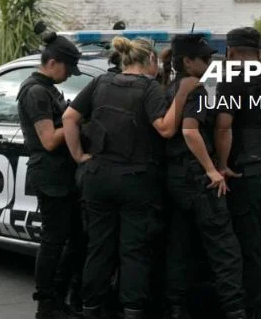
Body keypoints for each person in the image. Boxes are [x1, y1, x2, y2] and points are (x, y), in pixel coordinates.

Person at [63, 37, 197, 319]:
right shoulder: (148, 88)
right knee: (133, 249)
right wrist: (183, 93)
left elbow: (69, 118)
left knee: (99, 247)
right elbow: (165, 128)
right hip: (137, 180)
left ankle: (91, 308)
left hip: (98, 176)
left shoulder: (100, 83)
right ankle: (132, 310)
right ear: (150, 61)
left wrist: (79, 156)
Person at [162, 34, 246, 319]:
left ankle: (176, 307)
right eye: (206, 59)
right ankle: (235, 311)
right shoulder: (196, 90)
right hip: (197, 178)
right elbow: (189, 130)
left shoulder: (167, 88)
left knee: (180, 245)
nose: (211, 64)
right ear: (187, 61)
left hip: (174, 178)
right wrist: (213, 169)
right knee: (225, 249)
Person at [213, 27, 261, 319]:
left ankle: (255, 305)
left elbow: (223, 126)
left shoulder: (232, 77)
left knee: (251, 243)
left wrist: (221, 165)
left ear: (230, 53)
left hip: (251, 173)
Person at [17, 33, 88, 319]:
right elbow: (48, 139)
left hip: (62, 175)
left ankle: (60, 298)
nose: (69, 75)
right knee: (54, 240)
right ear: (53, 62)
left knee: (74, 239)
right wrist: (77, 120)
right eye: (67, 68)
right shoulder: (35, 92)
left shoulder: (47, 88)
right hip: (50, 176)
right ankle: (47, 304)